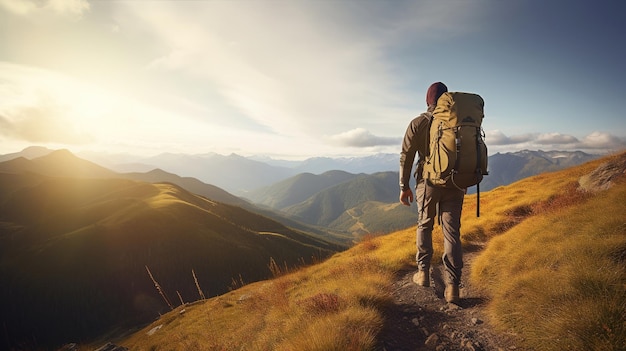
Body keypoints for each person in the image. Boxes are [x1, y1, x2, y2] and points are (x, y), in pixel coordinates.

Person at [399, 82, 465, 304]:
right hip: (455, 183)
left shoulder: (418, 123)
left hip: (427, 183)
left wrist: (403, 186)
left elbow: (406, 156)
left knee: (425, 224)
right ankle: (453, 287)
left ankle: (423, 273)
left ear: (428, 100)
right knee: (452, 232)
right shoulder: (458, 122)